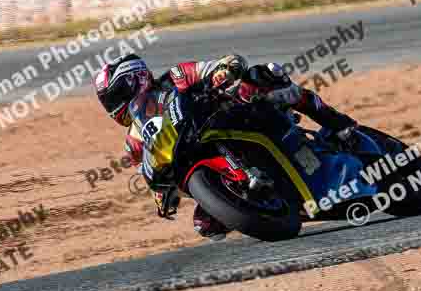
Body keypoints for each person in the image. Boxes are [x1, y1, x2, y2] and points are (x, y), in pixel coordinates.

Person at [94, 53, 357, 240]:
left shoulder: (174, 77)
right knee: (206, 224)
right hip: (195, 153)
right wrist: (162, 196)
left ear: (136, 79)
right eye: (109, 101)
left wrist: (222, 71)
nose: (113, 106)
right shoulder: (134, 140)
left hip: (230, 114)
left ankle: (337, 123)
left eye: (116, 95)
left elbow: (223, 64)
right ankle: (269, 204)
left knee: (264, 75)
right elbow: (150, 168)